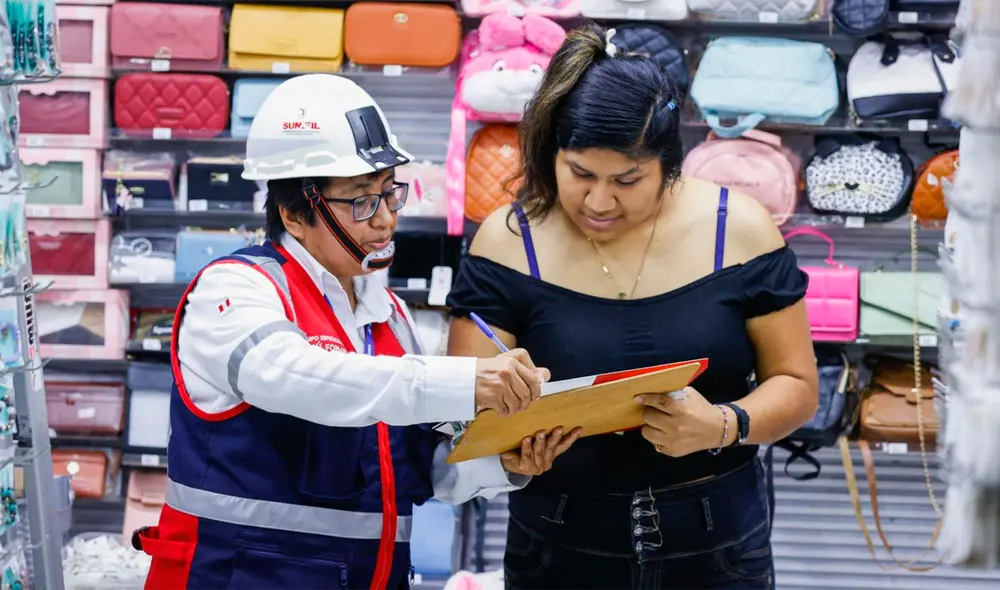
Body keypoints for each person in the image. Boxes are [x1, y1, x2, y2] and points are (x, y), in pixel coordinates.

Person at [132, 74, 580, 589]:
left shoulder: (389, 317)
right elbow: (300, 379)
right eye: (361, 200)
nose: (386, 219)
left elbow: (410, 468)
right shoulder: (234, 290)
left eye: (390, 193)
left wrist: (502, 462)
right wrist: (466, 380)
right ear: (294, 214)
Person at [446, 26, 819, 590]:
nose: (599, 201)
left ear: (669, 164)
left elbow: (796, 384)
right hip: (558, 545)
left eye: (627, 179)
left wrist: (723, 424)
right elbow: (462, 412)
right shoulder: (508, 241)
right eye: (579, 173)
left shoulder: (739, 230)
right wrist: (507, 453)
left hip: (718, 547)